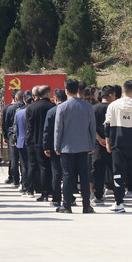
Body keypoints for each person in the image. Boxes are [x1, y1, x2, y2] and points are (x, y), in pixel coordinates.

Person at [104, 80, 132, 213]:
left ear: (123, 90)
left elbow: (107, 125)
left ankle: (119, 203)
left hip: (118, 144)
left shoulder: (113, 106)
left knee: (118, 173)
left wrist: (108, 142)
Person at [54, 78, 97, 214]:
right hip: (84, 147)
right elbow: (92, 127)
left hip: (66, 147)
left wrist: (57, 146)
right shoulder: (88, 107)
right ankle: (86, 205)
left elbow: (58, 129)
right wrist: (92, 145)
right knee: (84, 176)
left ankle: (67, 205)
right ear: (78, 90)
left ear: (66, 90)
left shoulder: (62, 107)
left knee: (67, 176)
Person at [24, 86, 54, 202]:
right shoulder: (52, 107)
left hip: (33, 140)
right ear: (47, 93)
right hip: (48, 141)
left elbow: (29, 126)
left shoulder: (31, 107)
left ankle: (30, 189)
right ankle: (47, 191)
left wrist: (28, 139)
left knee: (32, 165)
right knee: (46, 167)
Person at [91, 85, 116, 205]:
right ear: (111, 95)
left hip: (98, 145)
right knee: (116, 170)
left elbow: (91, 126)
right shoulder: (115, 108)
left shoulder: (94, 108)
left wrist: (100, 139)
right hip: (113, 144)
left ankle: (98, 195)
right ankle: (118, 194)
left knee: (98, 171)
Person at [43, 89, 66, 210]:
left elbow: (47, 131)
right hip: (69, 145)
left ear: (55, 99)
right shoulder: (69, 110)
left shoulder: (51, 111)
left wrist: (46, 146)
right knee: (68, 172)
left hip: (54, 145)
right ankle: (69, 197)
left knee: (56, 173)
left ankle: (56, 198)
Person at [14, 90, 33, 194]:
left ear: (24, 100)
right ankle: (32, 186)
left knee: (24, 165)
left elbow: (16, 128)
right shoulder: (33, 111)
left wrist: (15, 139)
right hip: (32, 142)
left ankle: (25, 185)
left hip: (21, 141)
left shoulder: (19, 113)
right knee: (33, 165)